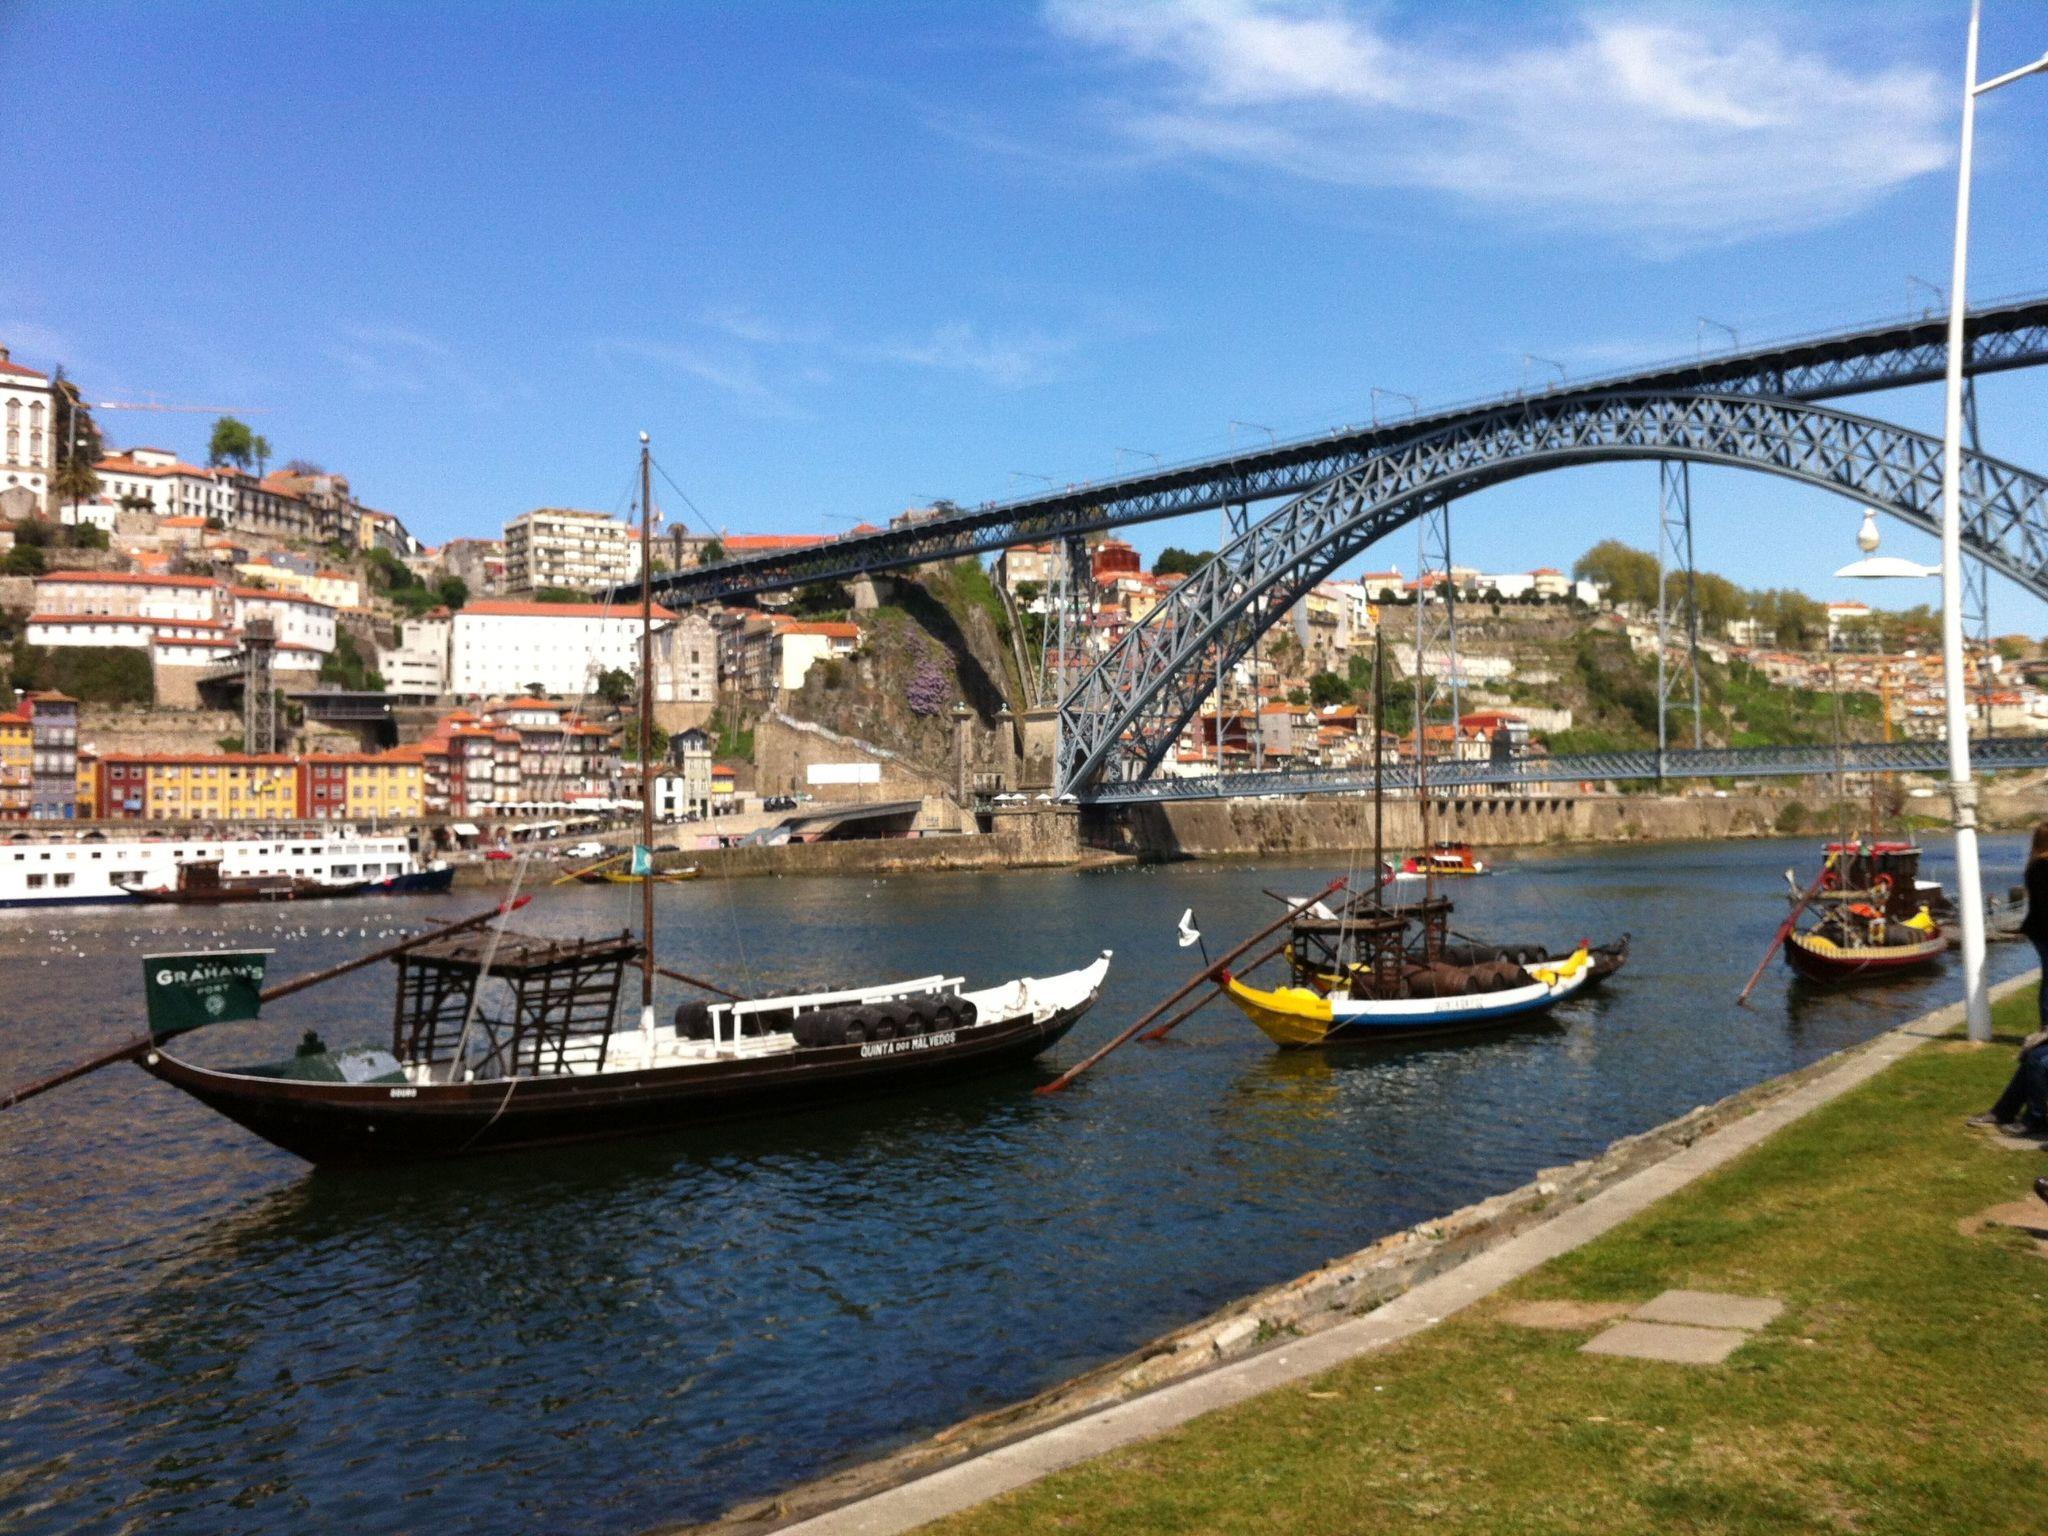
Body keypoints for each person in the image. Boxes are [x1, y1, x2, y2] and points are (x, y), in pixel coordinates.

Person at [1969, 822, 2048, 1135]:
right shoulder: (2042, 869)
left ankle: (2016, 1114)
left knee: (2038, 1055)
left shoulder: (2036, 868)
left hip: (2041, 934)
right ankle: (2015, 1113)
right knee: (2038, 1053)